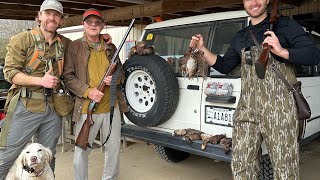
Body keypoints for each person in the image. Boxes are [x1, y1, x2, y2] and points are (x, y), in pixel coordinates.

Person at [190, 0, 320, 179]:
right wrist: (202, 49)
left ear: (267, 0)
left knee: (285, 168)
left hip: (279, 110)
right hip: (247, 110)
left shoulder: (285, 25)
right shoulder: (240, 36)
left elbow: (314, 55)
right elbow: (224, 65)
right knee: (242, 165)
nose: (254, 2)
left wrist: (282, 52)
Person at [0, 1, 112, 179]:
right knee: (6, 155)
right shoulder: (22, 39)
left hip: (54, 108)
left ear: (61, 19)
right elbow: (10, 72)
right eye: (48, 14)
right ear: (39, 16)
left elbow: (85, 43)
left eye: (56, 15)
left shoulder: (65, 43)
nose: (52, 18)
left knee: (48, 157)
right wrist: (40, 81)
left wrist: (101, 40)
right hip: (25, 106)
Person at [63, 8, 128, 180]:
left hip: (112, 107)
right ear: (83, 24)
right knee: (81, 151)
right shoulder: (74, 46)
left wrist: (114, 79)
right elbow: (67, 77)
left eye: (97, 22)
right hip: (86, 108)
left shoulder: (111, 47)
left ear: (103, 25)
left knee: (113, 149)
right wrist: (88, 91)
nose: (93, 25)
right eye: (89, 22)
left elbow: (121, 73)